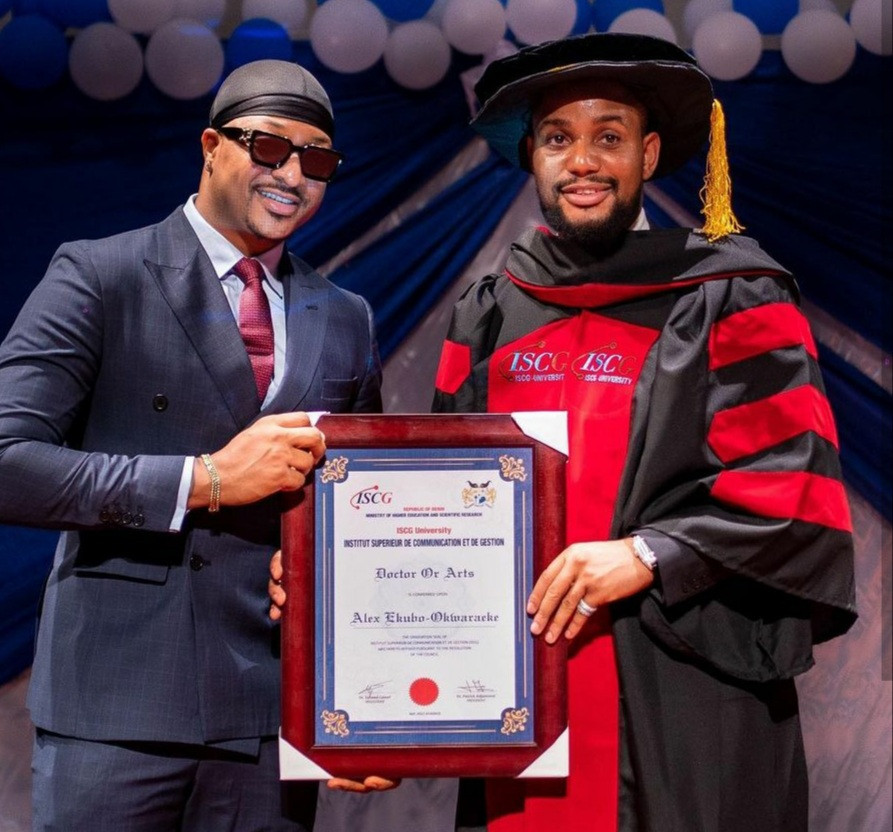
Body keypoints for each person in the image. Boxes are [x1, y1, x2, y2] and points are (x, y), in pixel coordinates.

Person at [428, 32, 857, 832]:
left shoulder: (731, 296)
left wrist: (647, 553)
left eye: (608, 137)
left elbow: (794, 489)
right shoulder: (488, 312)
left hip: (682, 679)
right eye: (558, 138)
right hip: (521, 684)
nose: (581, 161)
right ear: (532, 156)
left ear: (648, 154)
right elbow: (437, 499)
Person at [0, 59, 383, 831]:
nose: (293, 176)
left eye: (316, 161)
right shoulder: (101, 274)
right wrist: (203, 480)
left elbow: (364, 520)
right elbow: (9, 462)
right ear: (211, 145)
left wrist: (367, 706)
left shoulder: (345, 314)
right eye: (269, 148)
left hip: (271, 715)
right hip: (118, 705)